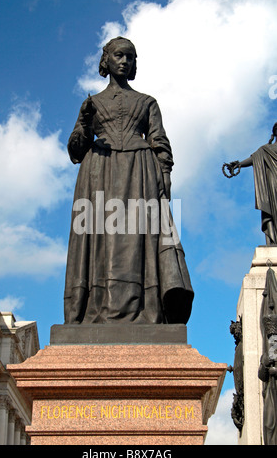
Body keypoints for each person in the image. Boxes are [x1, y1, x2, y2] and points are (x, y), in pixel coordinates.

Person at [64, 37, 193, 325]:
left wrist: (166, 176)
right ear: (106, 60)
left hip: (141, 172)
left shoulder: (147, 102)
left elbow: (159, 142)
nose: (125, 61)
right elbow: (75, 151)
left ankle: (146, 308)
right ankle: (93, 308)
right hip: (99, 170)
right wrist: (84, 124)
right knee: (99, 237)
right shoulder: (92, 104)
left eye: (130, 57)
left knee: (139, 238)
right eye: (119, 56)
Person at [223, 123, 277, 245]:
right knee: (275, 210)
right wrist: (239, 164)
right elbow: (254, 159)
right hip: (273, 182)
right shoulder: (265, 150)